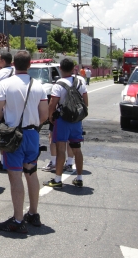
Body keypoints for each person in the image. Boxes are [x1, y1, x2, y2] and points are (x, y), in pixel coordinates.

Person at [0, 50, 48, 233]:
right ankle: (33, 213)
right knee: (31, 172)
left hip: (13, 135)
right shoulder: (38, 85)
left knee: (15, 176)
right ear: (30, 65)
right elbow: (44, 115)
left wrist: (8, 120)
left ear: (13, 64)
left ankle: (18, 220)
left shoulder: (5, 84)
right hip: (32, 134)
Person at [45, 58, 89, 189]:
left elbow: (52, 103)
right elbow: (86, 102)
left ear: (60, 68)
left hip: (62, 120)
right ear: (73, 68)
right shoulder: (80, 82)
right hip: (76, 121)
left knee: (60, 149)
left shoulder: (58, 84)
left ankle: (58, 179)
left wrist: (50, 117)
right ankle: (79, 178)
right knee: (77, 149)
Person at [0, 52, 15, 172]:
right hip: (17, 106)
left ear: (3, 60)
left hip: (3, 106)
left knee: (3, 134)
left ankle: (3, 161)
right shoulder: (16, 71)